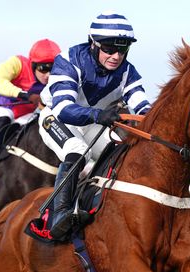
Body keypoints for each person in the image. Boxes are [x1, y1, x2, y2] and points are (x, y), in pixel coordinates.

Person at [37, 11, 152, 241]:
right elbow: (64, 109)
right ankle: (59, 214)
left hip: (93, 122)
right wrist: (99, 114)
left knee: (122, 152)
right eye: (109, 49)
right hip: (58, 118)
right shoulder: (68, 60)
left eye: (122, 49)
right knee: (78, 151)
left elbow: (142, 107)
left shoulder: (127, 71)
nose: (116, 56)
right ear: (93, 44)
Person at [0, 38, 62, 185]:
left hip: (22, 117)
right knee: (5, 115)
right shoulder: (17, 63)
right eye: (43, 68)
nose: (48, 75)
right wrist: (25, 95)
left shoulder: (55, 80)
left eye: (53, 69)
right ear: (33, 64)